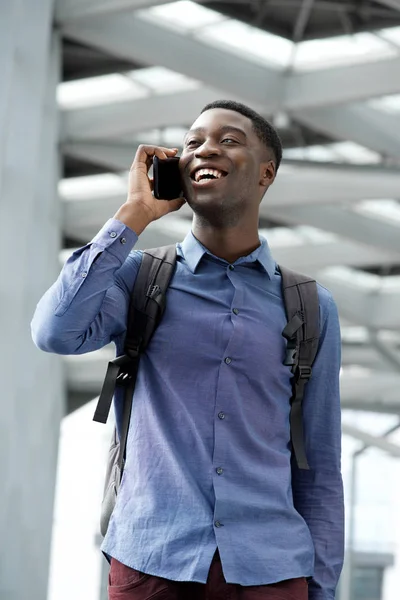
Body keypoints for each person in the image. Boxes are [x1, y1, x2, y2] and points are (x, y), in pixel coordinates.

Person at [32, 100, 344, 600]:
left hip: (271, 571)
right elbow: (54, 331)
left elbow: (320, 465)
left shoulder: (310, 306)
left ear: (266, 173)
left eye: (228, 140)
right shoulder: (137, 278)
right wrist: (134, 214)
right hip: (151, 562)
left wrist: (322, 589)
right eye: (193, 141)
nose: (204, 150)